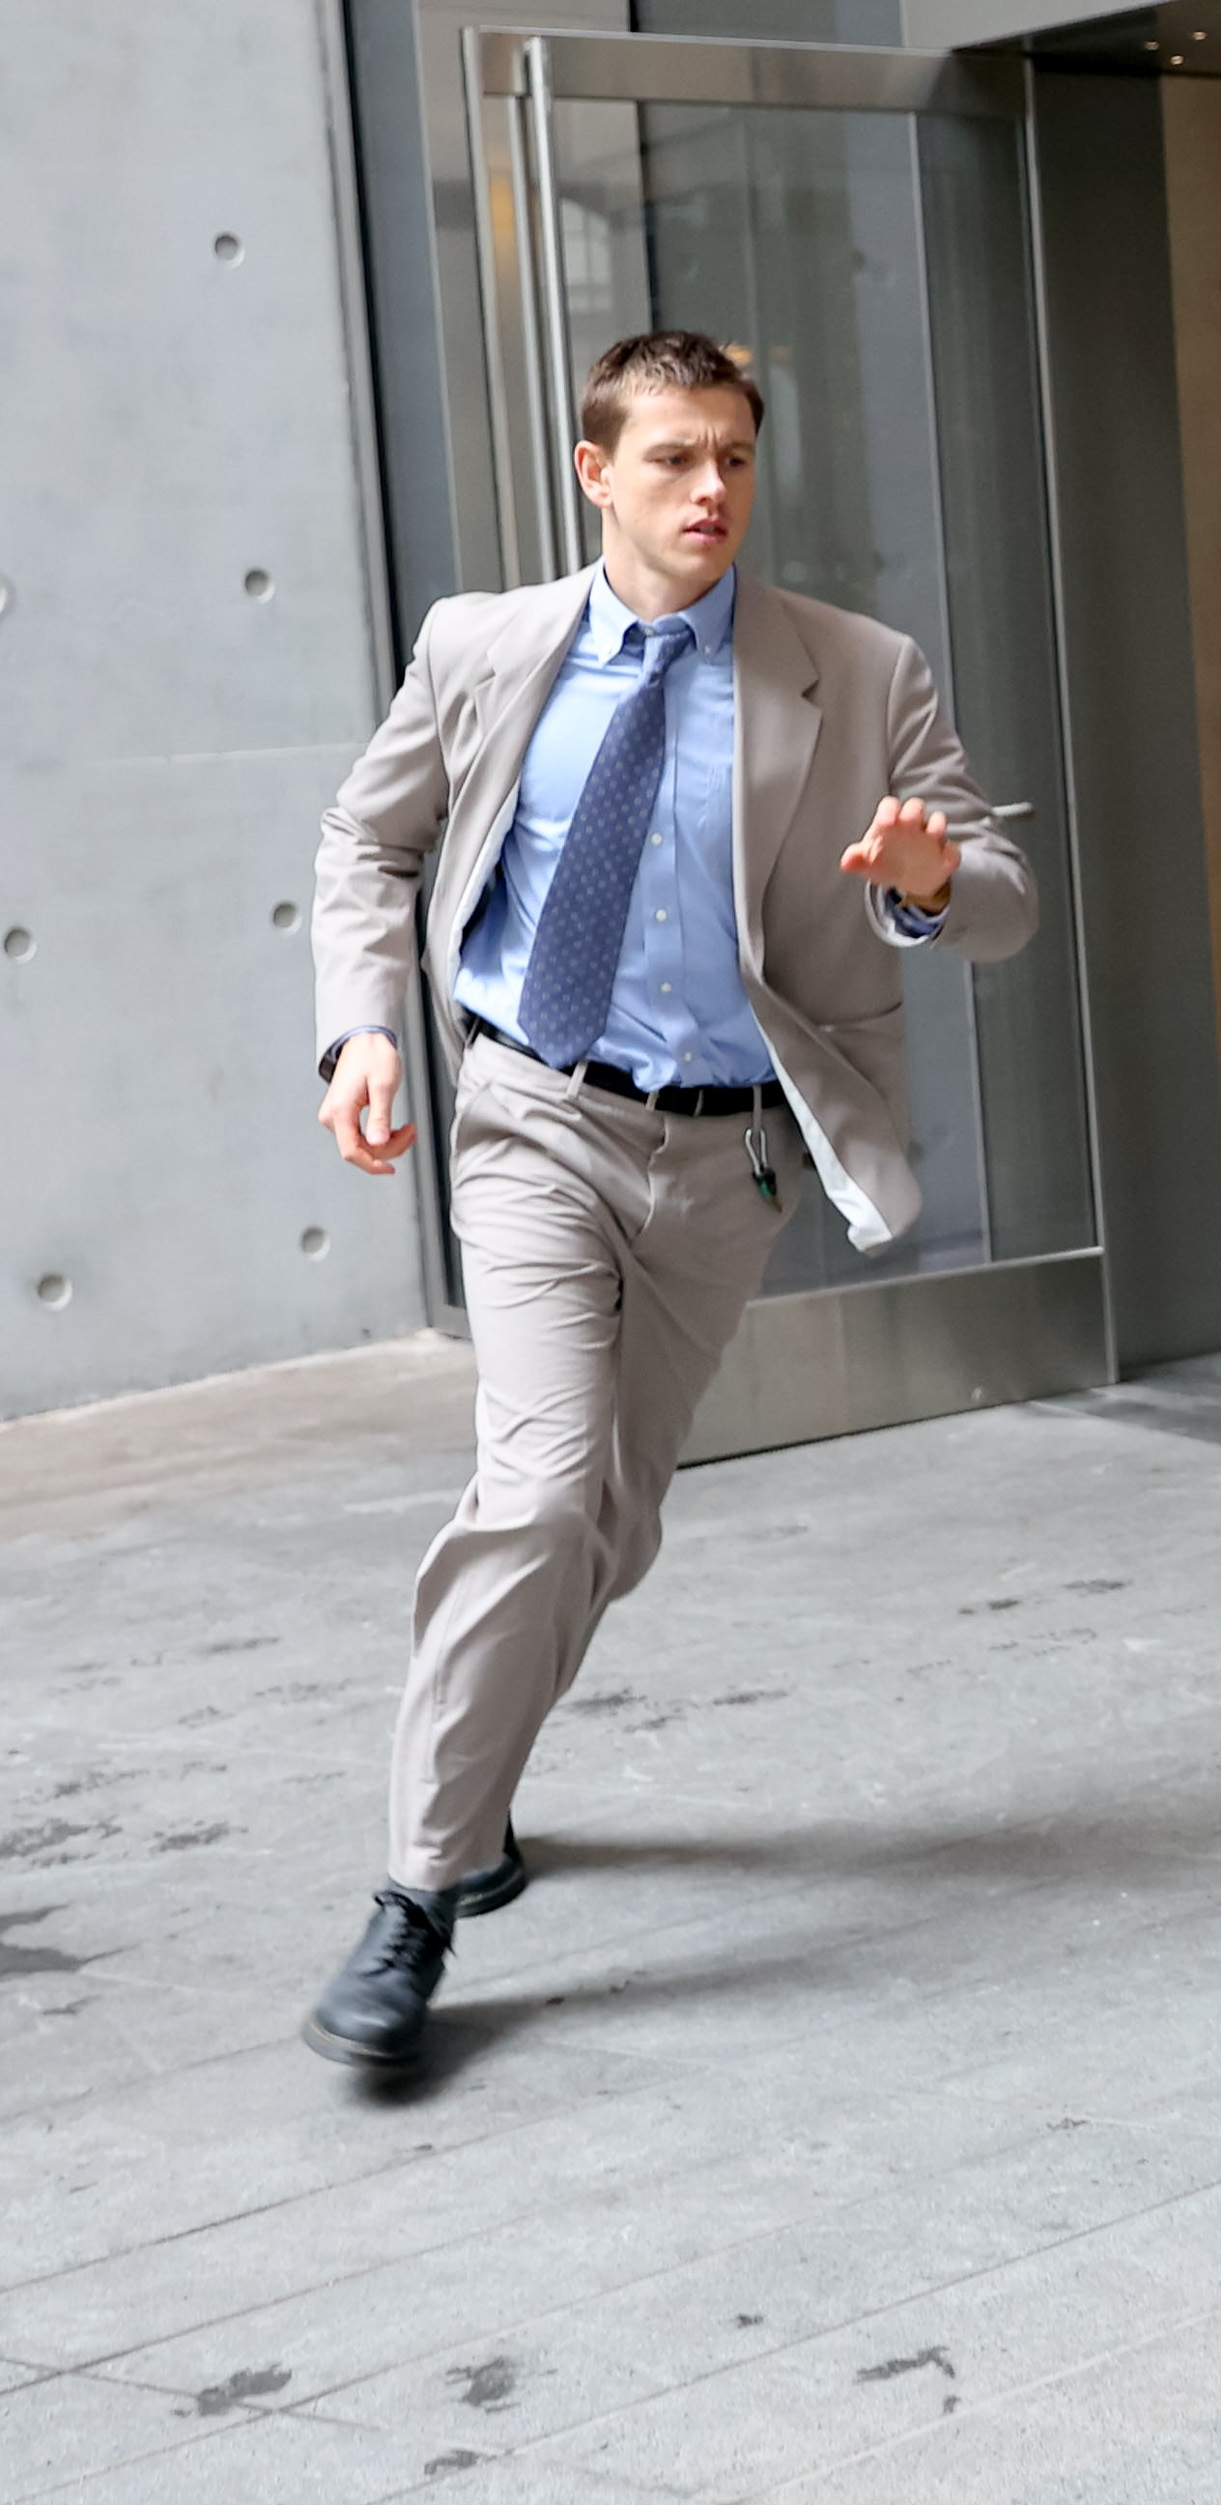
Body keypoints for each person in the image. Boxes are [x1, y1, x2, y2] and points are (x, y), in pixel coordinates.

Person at [303, 330, 1033, 2068]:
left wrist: (931, 882)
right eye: (674, 460)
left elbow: (994, 886)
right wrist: (360, 1030)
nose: (712, 492)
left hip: (729, 1156)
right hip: (537, 1123)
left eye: (733, 459)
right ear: (595, 471)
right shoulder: (483, 647)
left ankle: (467, 1800)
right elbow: (368, 837)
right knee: (543, 1494)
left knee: (612, 1521)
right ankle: (418, 1892)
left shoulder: (852, 672)